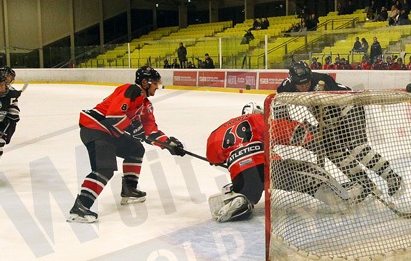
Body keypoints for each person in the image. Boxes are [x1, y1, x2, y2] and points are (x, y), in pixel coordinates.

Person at [68, 66, 186, 223]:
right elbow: (113, 116)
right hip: (95, 128)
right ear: (144, 82)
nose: (157, 87)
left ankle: (129, 189)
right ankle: (80, 208)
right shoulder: (131, 90)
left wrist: (169, 144)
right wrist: (133, 128)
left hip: (110, 132)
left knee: (135, 149)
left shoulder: (145, 105)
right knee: (104, 168)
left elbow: (150, 130)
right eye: (154, 83)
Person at [206, 101, 358, 222]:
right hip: (270, 168)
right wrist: (313, 135)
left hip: (241, 175)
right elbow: (286, 131)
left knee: (249, 194)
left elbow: (212, 157)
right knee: (311, 172)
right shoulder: (256, 119)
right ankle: (343, 199)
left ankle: (239, 198)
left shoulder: (219, 131)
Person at [276, 61, 403, 199]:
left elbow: (335, 110)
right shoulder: (286, 87)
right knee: (334, 152)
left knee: (356, 147)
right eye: (300, 85)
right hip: (329, 120)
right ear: (293, 82)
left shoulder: (323, 80)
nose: (304, 86)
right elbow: (279, 108)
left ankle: (392, 176)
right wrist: (288, 124)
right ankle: (364, 184)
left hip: (349, 106)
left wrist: (324, 129)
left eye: (307, 83)